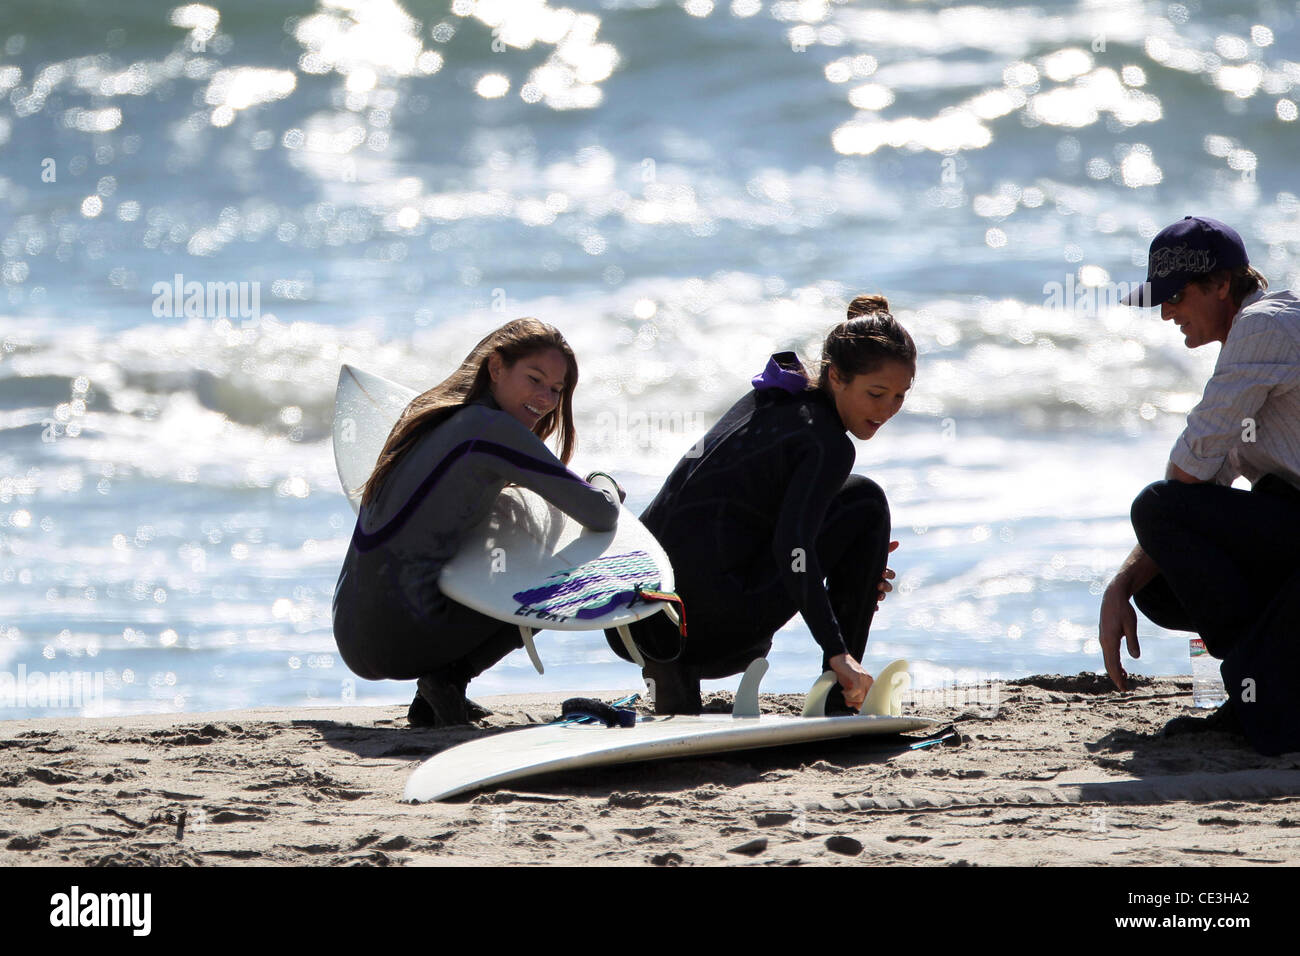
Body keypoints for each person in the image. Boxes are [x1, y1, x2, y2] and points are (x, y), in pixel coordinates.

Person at [608, 295, 912, 715]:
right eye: (877, 393)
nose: (888, 410)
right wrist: (836, 647)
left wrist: (854, 564)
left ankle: (673, 672)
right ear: (837, 377)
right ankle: (842, 692)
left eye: (900, 396)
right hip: (700, 633)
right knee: (865, 502)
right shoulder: (827, 442)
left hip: (635, 616)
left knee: (844, 510)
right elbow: (793, 548)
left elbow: (734, 518)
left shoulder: (774, 397)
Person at [332, 319, 623, 727]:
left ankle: (431, 698)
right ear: (496, 368)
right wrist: (604, 481)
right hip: (397, 640)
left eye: (556, 390)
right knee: (556, 578)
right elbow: (600, 512)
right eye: (535, 379)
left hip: (351, 629)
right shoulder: (493, 430)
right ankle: (448, 679)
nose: (545, 398)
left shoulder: (428, 416)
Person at [1100, 216, 1300, 754]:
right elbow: (1204, 480)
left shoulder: (1264, 326)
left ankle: (1259, 694)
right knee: (1158, 583)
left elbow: (1183, 480)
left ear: (1220, 284)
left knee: (1158, 509)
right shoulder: (1259, 333)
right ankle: (1259, 687)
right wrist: (1122, 583)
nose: (1166, 313)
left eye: (1176, 296)